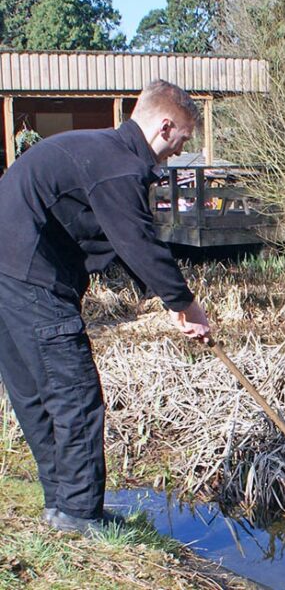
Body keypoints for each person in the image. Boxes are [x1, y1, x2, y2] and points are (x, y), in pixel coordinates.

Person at [0, 79, 211, 535]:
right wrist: (186, 304)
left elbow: (117, 240)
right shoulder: (119, 166)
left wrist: (169, 304)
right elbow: (138, 241)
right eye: (183, 140)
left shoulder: (101, 151)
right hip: (31, 277)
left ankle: (62, 506)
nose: (180, 151)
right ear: (165, 125)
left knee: (37, 395)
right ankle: (77, 513)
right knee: (74, 394)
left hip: (9, 274)